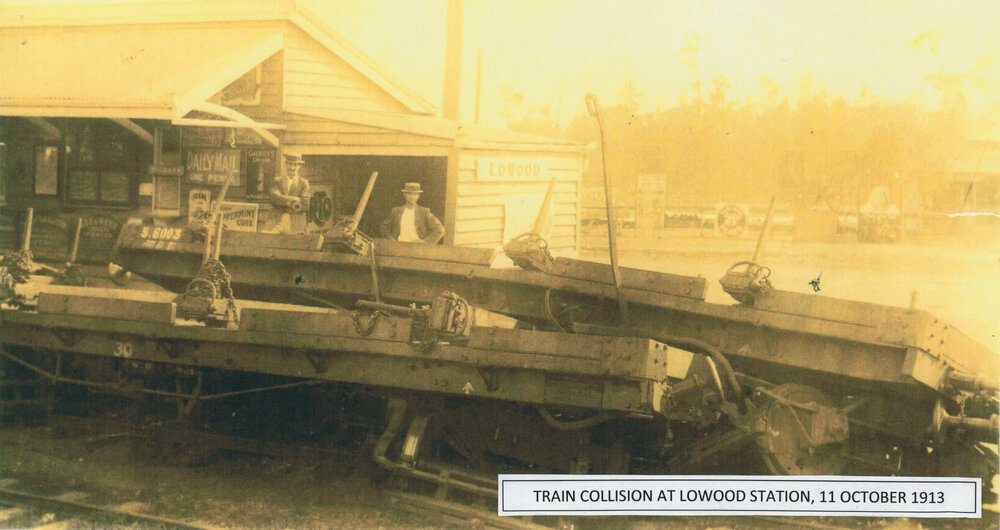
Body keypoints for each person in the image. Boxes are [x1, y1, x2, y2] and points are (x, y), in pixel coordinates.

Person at [267, 153, 311, 234]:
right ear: (285, 165)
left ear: (299, 166)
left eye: (295, 165)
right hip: (278, 224)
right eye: (290, 164)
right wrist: (295, 200)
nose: (292, 167)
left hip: (296, 226)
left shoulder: (304, 183)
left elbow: (305, 205)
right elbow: (273, 198)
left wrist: (281, 198)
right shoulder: (277, 181)